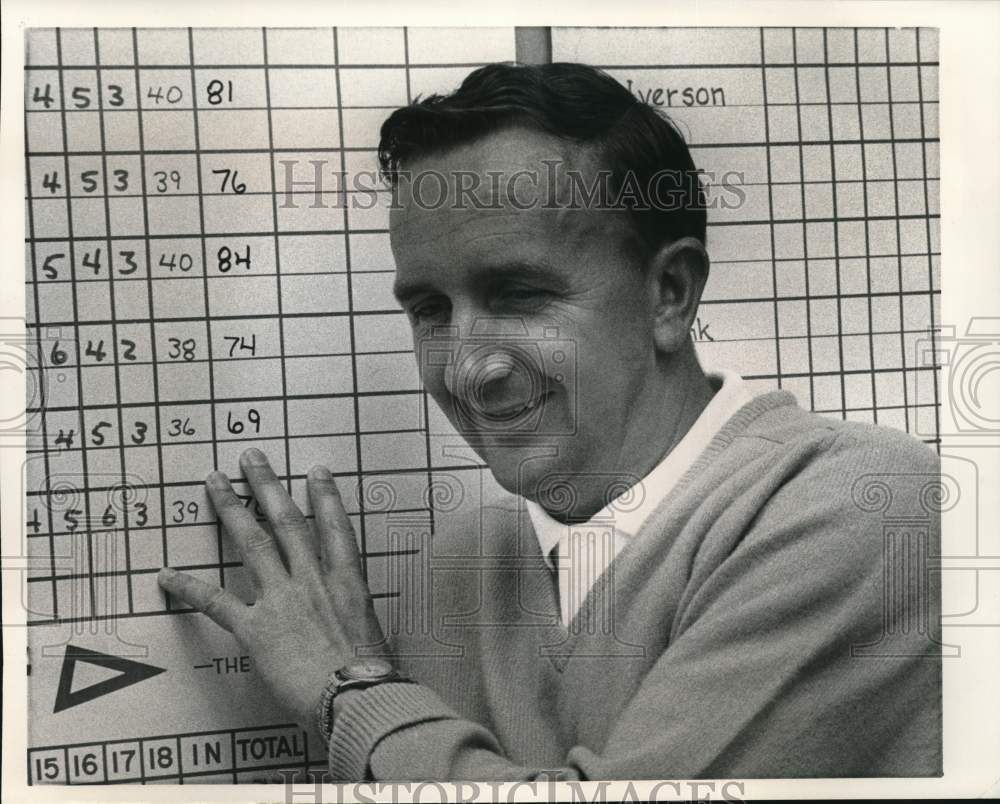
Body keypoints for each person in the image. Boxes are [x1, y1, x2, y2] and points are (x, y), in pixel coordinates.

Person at [158, 62, 942, 781]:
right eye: (430, 309)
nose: (469, 366)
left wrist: (350, 695)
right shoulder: (459, 567)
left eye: (520, 295)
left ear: (669, 293)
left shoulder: (866, 507)